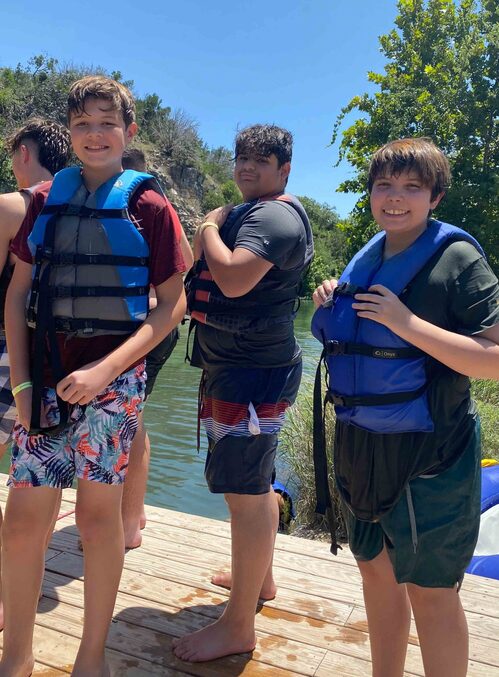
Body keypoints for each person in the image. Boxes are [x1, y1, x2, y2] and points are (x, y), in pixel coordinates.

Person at [1, 76, 186, 677]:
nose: (95, 134)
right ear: (70, 133)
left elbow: (172, 304)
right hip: (45, 379)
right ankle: (16, 657)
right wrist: (22, 387)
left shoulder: (150, 207)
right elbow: (17, 294)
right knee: (22, 521)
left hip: (115, 382)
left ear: (129, 132)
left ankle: (92, 657)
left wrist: (108, 368)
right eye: (83, 124)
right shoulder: (44, 200)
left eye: (108, 123)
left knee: (96, 519)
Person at [311, 137, 499, 677]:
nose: (395, 197)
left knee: (431, 591)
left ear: (435, 197)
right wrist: (333, 297)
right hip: (361, 446)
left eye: (412, 187)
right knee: (375, 572)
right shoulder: (369, 257)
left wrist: (407, 324)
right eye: (384, 185)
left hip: (431, 454)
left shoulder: (458, 259)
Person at [173, 124, 313, 662]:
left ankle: (238, 627)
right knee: (257, 482)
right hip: (240, 369)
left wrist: (208, 225)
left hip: (253, 374)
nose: (247, 168)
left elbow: (231, 279)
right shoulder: (251, 213)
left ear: (284, 170)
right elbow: (197, 267)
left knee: (246, 496)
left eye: (261, 160)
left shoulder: (274, 217)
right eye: (241, 159)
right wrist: (214, 228)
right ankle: (262, 578)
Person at [0, 118, 71, 630]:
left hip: (6, 353)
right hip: (54, 356)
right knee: (44, 477)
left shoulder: (12, 205)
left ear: (25, 152)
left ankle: (6, 593)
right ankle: (25, 581)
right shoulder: (73, 205)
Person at [120, 146, 194, 548]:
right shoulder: (159, 202)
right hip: (159, 327)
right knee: (136, 417)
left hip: (145, 327)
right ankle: (136, 512)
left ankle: (128, 525)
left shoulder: (139, 202)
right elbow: (189, 260)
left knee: (131, 422)